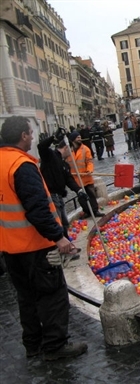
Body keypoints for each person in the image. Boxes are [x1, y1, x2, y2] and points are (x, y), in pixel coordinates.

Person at [0, 116, 88, 361]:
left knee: (26, 298)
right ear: (23, 136)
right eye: (31, 132)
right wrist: (59, 238)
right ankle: (55, 346)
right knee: (52, 295)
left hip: (10, 248)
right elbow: (38, 208)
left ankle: (33, 344)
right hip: (36, 247)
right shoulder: (22, 165)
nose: (33, 136)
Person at [37, 129, 87, 243]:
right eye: (71, 151)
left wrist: (79, 190)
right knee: (57, 222)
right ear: (66, 148)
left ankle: (68, 245)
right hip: (50, 195)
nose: (71, 154)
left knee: (64, 222)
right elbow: (41, 147)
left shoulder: (64, 164)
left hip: (59, 195)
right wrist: (53, 138)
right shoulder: (50, 156)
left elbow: (69, 179)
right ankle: (62, 248)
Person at [66, 131, 104, 218]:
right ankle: (87, 211)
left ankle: (95, 211)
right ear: (72, 139)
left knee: (91, 195)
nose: (80, 139)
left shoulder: (85, 149)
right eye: (77, 137)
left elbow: (89, 161)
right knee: (81, 198)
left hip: (86, 177)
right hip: (76, 179)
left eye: (80, 137)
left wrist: (89, 170)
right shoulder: (69, 151)